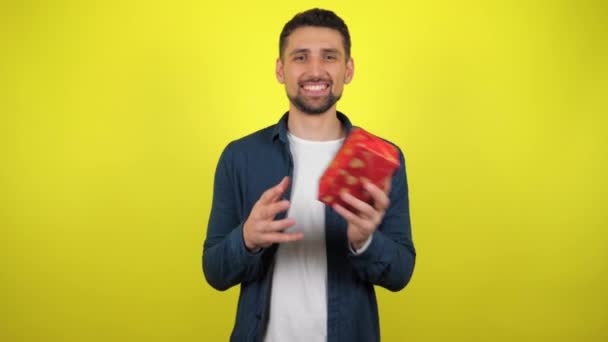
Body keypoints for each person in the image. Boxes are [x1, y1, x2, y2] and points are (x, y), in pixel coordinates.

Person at [202, 8, 416, 342]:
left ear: (348, 69)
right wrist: (246, 238)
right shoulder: (240, 156)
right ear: (280, 69)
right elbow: (214, 271)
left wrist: (365, 242)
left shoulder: (383, 158)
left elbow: (401, 273)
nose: (315, 70)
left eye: (329, 57)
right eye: (300, 57)